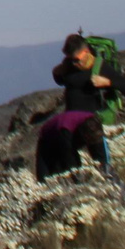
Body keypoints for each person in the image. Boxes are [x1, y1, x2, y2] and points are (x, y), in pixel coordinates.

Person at [44, 33, 119, 176]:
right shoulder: (69, 68)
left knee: (103, 162)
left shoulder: (99, 66)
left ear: (86, 52)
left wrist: (107, 82)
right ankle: (77, 182)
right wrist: (60, 69)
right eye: (70, 59)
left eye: (76, 59)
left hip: (91, 122)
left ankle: (110, 183)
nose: (74, 63)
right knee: (67, 161)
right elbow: (59, 79)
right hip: (71, 123)